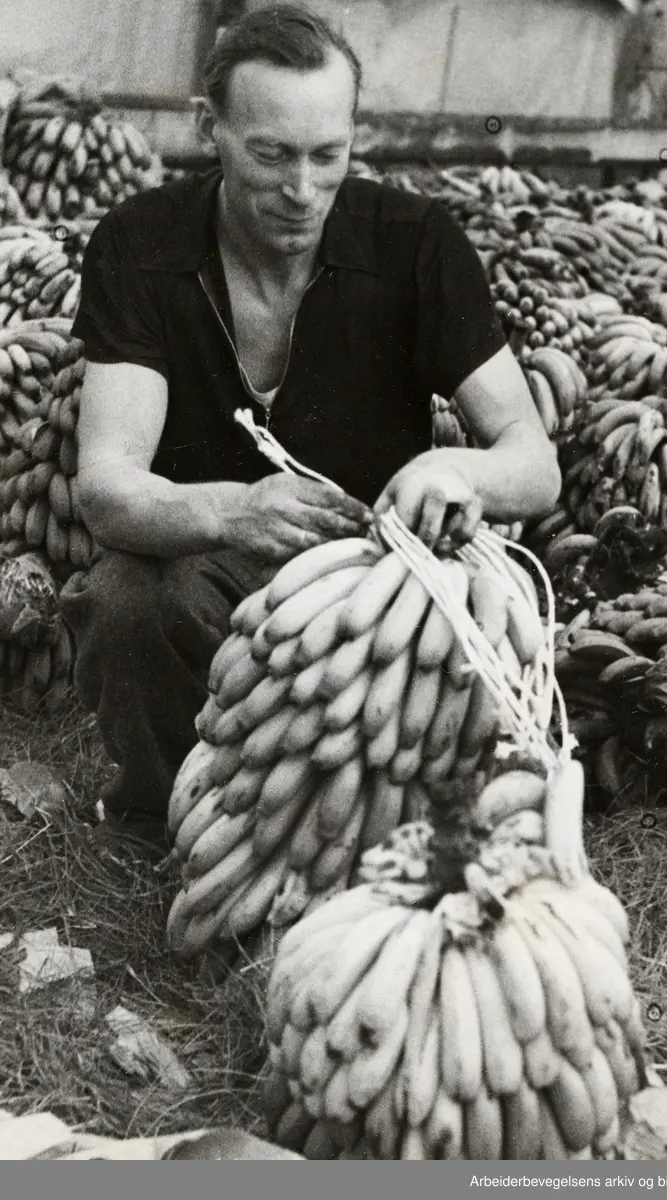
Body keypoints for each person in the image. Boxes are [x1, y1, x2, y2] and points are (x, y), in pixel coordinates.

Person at [61, 4, 561, 858]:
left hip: (386, 568)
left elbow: (533, 461)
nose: (301, 190)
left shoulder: (415, 245)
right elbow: (108, 485)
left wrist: (458, 472)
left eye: (328, 155)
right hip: (212, 555)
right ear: (208, 129)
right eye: (271, 155)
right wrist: (230, 510)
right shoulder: (140, 244)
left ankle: (377, 829)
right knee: (130, 601)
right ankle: (166, 816)